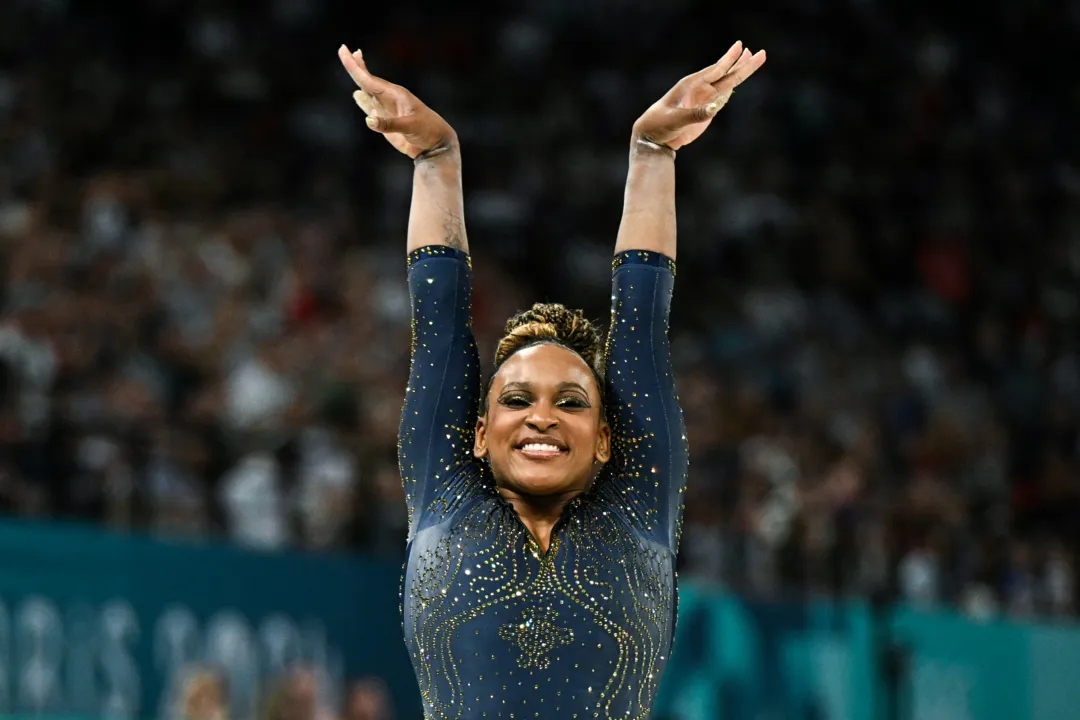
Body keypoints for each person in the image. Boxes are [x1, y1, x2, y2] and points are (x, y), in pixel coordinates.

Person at [338, 39, 765, 719]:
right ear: (476, 434)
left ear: (605, 440)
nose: (541, 416)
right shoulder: (444, 496)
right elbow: (439, 324)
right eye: (516, 399)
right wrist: (435, 158)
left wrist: (653, 155)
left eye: (570, 402)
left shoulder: (637, 513)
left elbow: (642, 329)